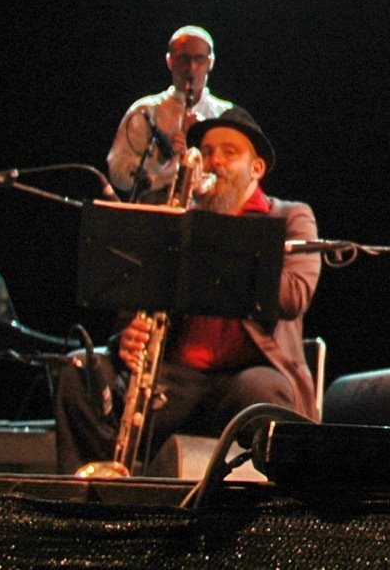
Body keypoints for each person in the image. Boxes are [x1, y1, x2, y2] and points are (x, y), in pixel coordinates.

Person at [56, 107, 319, 472]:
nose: (214, 162)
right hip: (178, 378)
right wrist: (127, 337)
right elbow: (134, 300)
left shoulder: (290, 216)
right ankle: (91, 491)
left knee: (260, 393)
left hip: (247, 375)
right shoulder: (179, 219)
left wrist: (218, 232)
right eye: (207, 152)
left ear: (256, 168)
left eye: (229, 152)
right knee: (80, 371)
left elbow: (294, 295)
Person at [106, 25, 232, 204]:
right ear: (169, 61)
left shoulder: (225, 115)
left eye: (199, 59)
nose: (191, 68)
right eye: (183, 59)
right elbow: (117, 174)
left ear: (210, 62)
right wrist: (159, 159)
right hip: (153, 210)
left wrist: (204, 142)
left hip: (205, 211)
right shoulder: (145, 110)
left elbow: (236, 180)